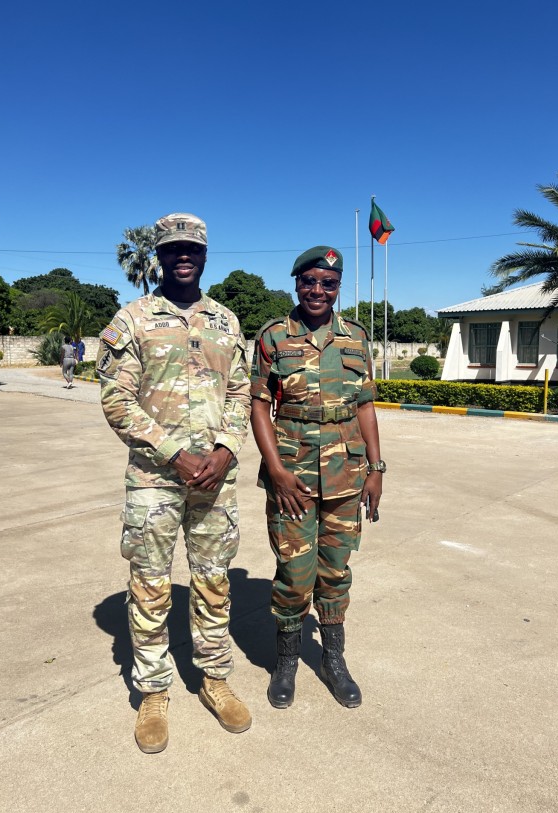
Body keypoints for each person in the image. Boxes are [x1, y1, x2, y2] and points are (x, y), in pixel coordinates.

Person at [97, 212, 252, 753]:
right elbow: (115, 398)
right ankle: (154, 691)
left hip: (216, 480)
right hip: (154, 481)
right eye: (172, 249)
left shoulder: (227, 323)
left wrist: (228, 448)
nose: (182, 256)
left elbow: (240, 395)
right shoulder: (134, 319)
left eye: (192, 248)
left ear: (205, 255)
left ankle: (214, 678)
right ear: (158, 256)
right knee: (151, 586)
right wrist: (172, 453)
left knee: (213, 583)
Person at [250, 246, 385, 710]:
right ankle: (286, 663)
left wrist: (376, 467)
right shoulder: (273, 337)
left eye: (327, 284)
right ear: (296, 284)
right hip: (294, 477)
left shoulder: (355, 337)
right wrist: (276, 470)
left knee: (336, 571)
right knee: (294, 573)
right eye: (309, 282)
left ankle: (333, 660)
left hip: (348, 474)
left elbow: (365, 404)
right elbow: (259, 405)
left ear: (337, 288)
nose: (317, 291)